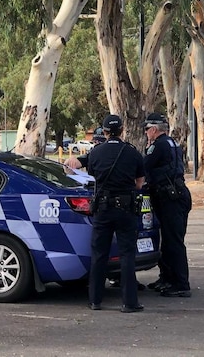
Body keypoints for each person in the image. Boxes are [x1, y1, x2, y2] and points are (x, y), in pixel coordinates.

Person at [84, 114, 146, 313]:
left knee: (99, 254)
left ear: (104, 131)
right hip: (126, 208)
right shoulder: (132, 153)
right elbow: (139, 183)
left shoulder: (96, 153)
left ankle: (95, 300)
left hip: (103, 209)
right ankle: (129, 302)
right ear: (122, 130)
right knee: (127, 254)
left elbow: (93, 175)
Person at [142, 112, 192, 298]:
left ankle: (180, 283)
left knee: (173, 241)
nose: (146, 133)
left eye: (147, 130)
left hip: (171, 197)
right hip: (174, 195)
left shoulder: (158, 146)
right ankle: (167, 277)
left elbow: (143, 166)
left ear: (154, 130)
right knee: (168, 240)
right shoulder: (172, 143)